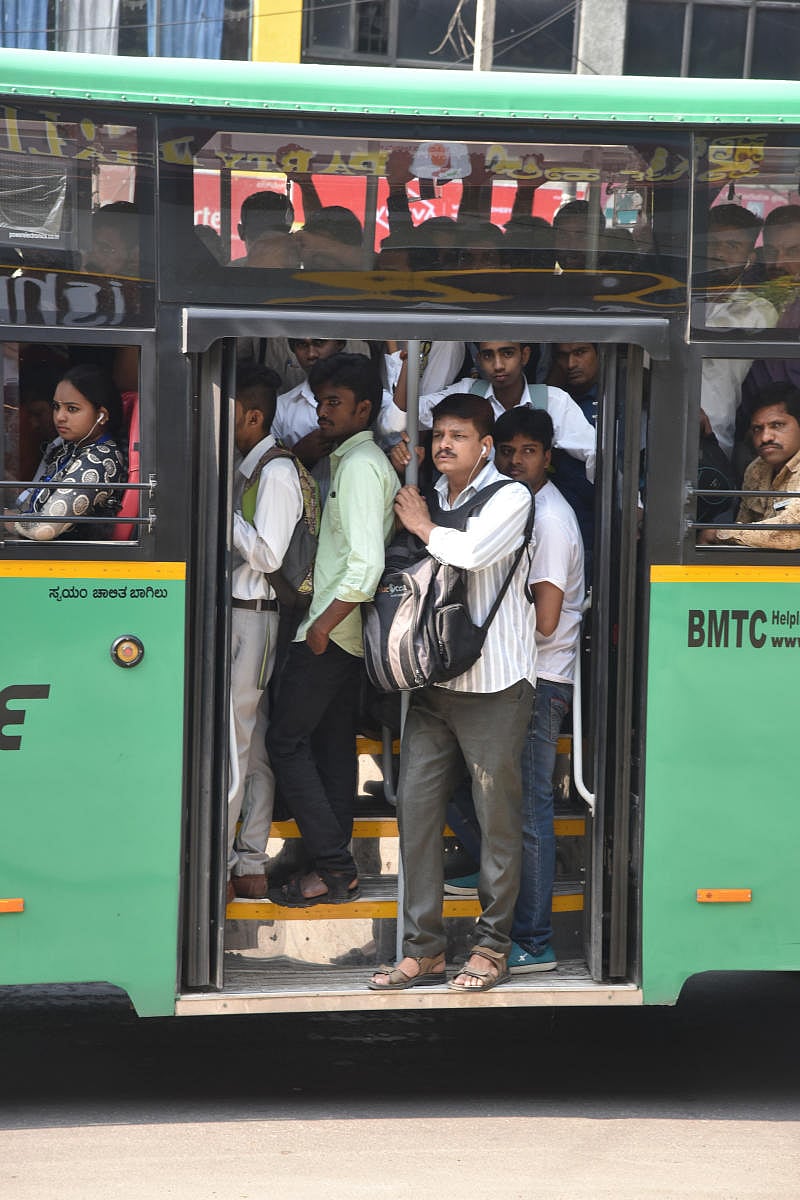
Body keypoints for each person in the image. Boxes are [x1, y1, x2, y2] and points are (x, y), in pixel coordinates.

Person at [369, 393, 536, 994]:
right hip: (434, 684)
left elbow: (468, 553)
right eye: (439, 435)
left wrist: (420, 524)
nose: (444, 445)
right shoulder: (431, 496)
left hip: (496, 685)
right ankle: (424, 952)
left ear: (485, 446)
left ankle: (492, 949)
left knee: (496, 823)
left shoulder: (513, 497)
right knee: (414, 814)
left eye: (458, 436)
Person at [446, 408, 585, 973]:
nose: (514, 461)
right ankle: (486, 868)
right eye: (505, 451)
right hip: (519, 674)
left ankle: (534, 936)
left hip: (541, 677)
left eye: (527, 451)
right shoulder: (517, 505)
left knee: (528, 810)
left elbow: (546, 621)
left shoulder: (549, 518)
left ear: (548, 457)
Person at [267, 353, 399, 907]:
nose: (322, 411)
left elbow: (365, 565)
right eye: (320, 401)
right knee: (331, 749)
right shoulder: (351, 459)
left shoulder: (362, 466)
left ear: (364, 409)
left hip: (332, 631)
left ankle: (335, 866)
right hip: (338, 630)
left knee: (284, 741)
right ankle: (334, 871)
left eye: (334, 403)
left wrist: (321, 627)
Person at [227, 362, 306, 901]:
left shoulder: (276, 472)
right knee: (248, 744)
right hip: (243, 613)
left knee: (236, 742)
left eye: (228, 413)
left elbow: (269, 553)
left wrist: (220, 509)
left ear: (252, 417)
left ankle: (227, 859)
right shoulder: (248, 464)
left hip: (256, 616)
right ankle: (248, 862)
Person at [380, 339, 595, 484]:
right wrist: (407, 364)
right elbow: (400, 420)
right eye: (488, 356)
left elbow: (594, 453)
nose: (498, 365)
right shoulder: (466, 392)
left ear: (525, 355)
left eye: (507, 353)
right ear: (479, 360)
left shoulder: (554, 401)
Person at [5, 363, 125, 541]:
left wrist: (5, 520)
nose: (59, 416)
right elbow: (32, 504)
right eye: (56, 407)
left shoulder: (99, 460)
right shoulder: (70, 448)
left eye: (72, 409)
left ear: (102, 416)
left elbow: (44, 528)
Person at [696, 205, 777, 459]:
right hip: (656, 428)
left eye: (732, 246)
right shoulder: (675, 303)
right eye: (712, 243)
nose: (719, 253)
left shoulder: (758, 312)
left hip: (719, 438)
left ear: (749, 258)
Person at [700, 383, 800, 550]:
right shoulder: (756, 469)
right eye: (757, 429)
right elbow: (744, 523)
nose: (765, 437)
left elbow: (792, 533)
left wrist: (721, 533)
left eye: (777, 425)